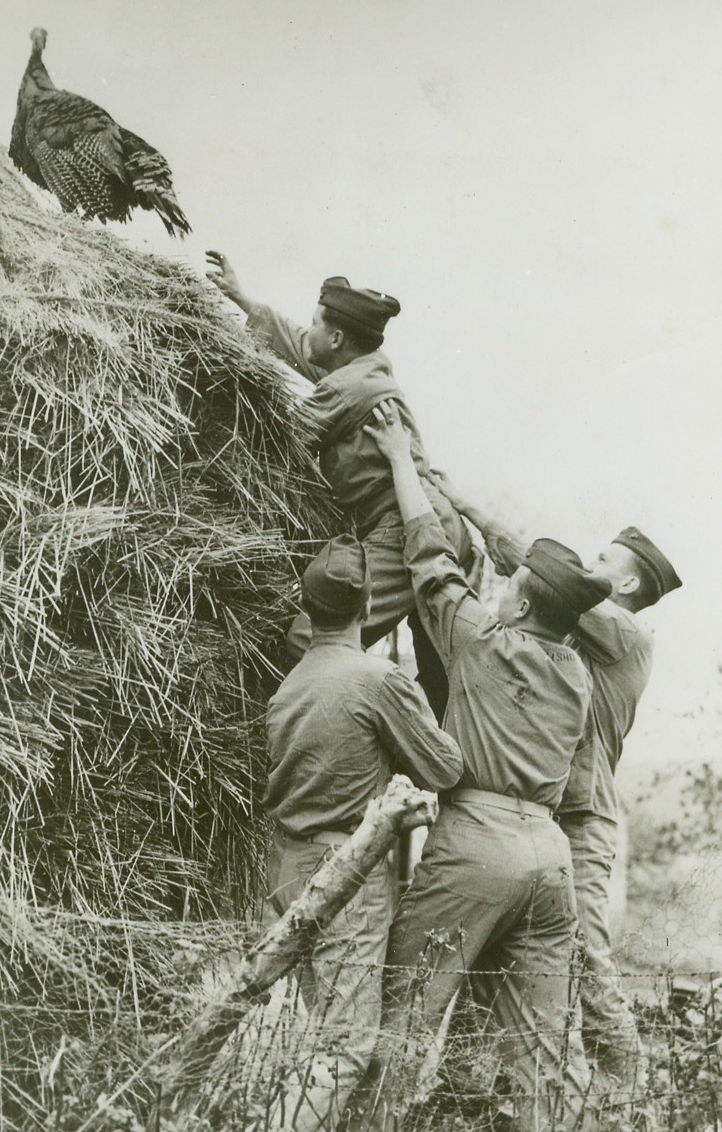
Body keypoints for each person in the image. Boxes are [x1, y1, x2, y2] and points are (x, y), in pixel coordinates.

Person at [353, 400, 612, 1132]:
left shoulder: (483, 642)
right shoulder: (575, 673)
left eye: (510, 584)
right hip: (551, 859)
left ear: (522, 600)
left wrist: (402, 460)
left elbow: (429, 559)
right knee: (546, 1058)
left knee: (402, 1020)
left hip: (477, 846)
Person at [432, 470, 682, 1114]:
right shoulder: (583, 640)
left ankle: (632, 1097)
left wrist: (456, 498)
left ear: (625, 584)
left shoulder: (626, 635)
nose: (589, 565)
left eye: (602, 560)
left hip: (581, 822)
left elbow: (529, 566)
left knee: (586, 957)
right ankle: (472, 1093)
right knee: (494, 950)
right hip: (542, 821)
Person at [205, 250, 478, 720]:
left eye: (315, 323)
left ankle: (310, 726)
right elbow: (309, 352)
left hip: (403, 529)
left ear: (336, 337)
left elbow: (276, 437)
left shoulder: (346, 388)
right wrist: (243, 300)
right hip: (431, 522)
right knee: (440, 672)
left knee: (312, 636)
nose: (307, 331)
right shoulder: (367, 365)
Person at [263, 533, 464, 1132]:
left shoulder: (291, 684)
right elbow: (445, 766)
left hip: (290, 869)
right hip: (344, 878)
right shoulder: (376, 680)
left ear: (308, 605)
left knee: (327, 1036)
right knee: (345, 1050)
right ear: (370, 600)